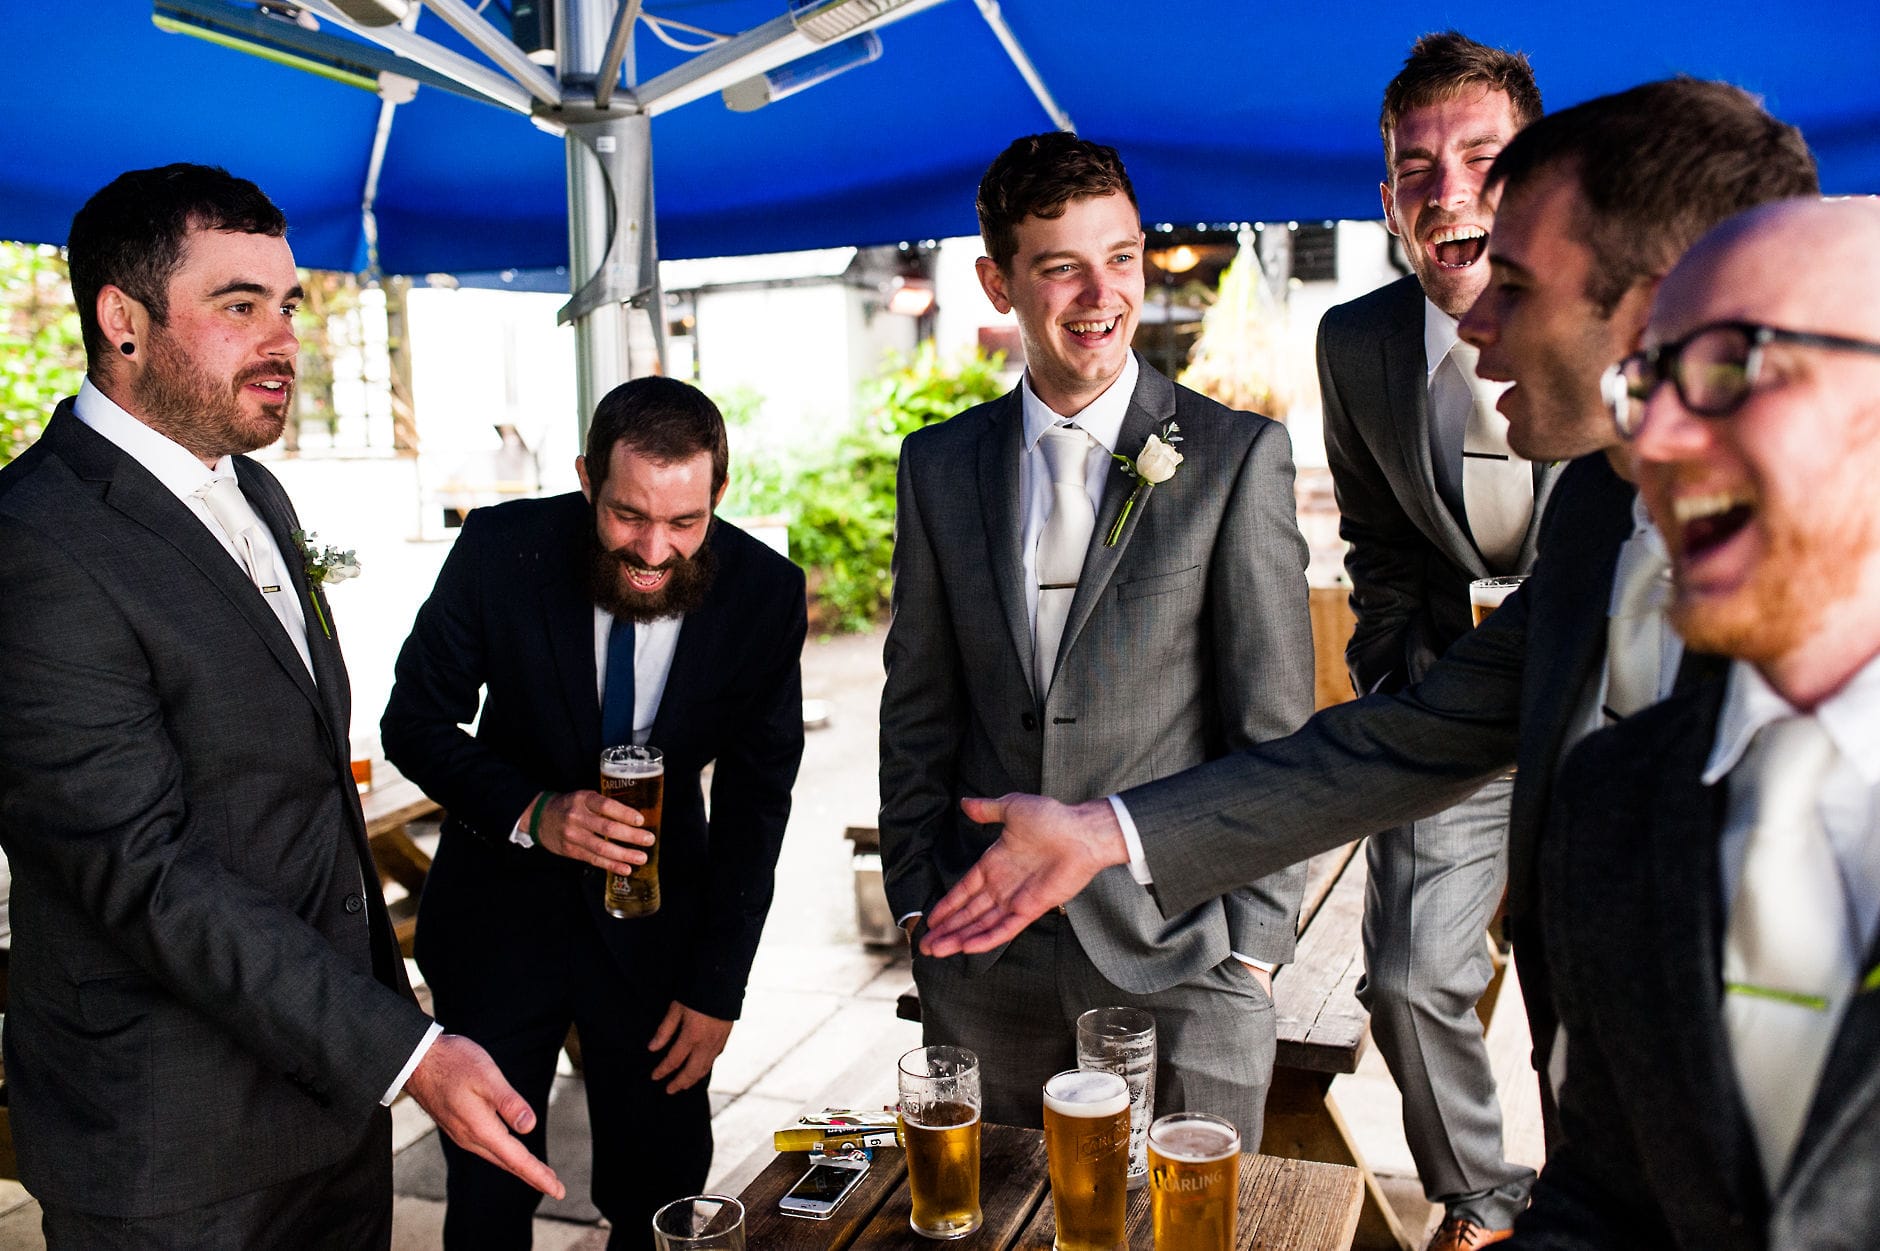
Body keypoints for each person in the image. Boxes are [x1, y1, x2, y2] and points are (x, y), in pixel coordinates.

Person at [918, 79, 1818, 1134]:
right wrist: (1101, 830)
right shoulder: (1592, 522)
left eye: (1516, 283)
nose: (1471, 318)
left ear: (1657, 302)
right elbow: (1405, 740)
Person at [0, 163, 559, 1249]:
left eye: (288, 304)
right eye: (238, 304)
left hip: (321, 1100)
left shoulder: (253, 488)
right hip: (170, 1140)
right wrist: (403, 1051)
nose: (283, 339)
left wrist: (368, 1045)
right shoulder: (36, 545)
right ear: (121, 320)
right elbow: (139, 872)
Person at [879, 131, 1313, 1141]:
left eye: (1118, 257)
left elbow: (1274, 725)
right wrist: (915, 903)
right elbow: (917, 706)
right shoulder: (936, 467)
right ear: (997, 283)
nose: (1099, 295)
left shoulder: (1232, 457)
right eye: (1061, 267)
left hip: (1183, 952)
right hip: (985, 958)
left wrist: (1253, 941)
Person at [1510, 195, 1880, 1248]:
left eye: (1728, 367)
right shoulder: (1607, 802)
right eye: (1644, 386)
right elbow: (1603, 1198)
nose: (1658, 439)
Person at [381, 375, 807, 1248]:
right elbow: (413, 721)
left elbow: (757, 801)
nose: (654, 548)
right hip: (499, 916)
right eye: (627, 515)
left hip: (661, 935)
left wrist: (718, 983)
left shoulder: (765, 592)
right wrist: (534, 811)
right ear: (586, 479)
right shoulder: (502, 546)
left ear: (719, 494)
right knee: (491, 1187)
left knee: (658, 1190)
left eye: (685, 522)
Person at [1320, 33, 1546, 1247]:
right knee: (1405, 982)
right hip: (1446, 704)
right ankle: (1481, 1202)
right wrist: (1392, 672)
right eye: (1415, 169)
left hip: (1595, 708)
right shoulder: (1354, 344)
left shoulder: (1620, 315)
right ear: (1387, 202)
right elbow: (1373, 538)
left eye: (1481, 157)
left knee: (1591, 980)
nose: (1446, 190)